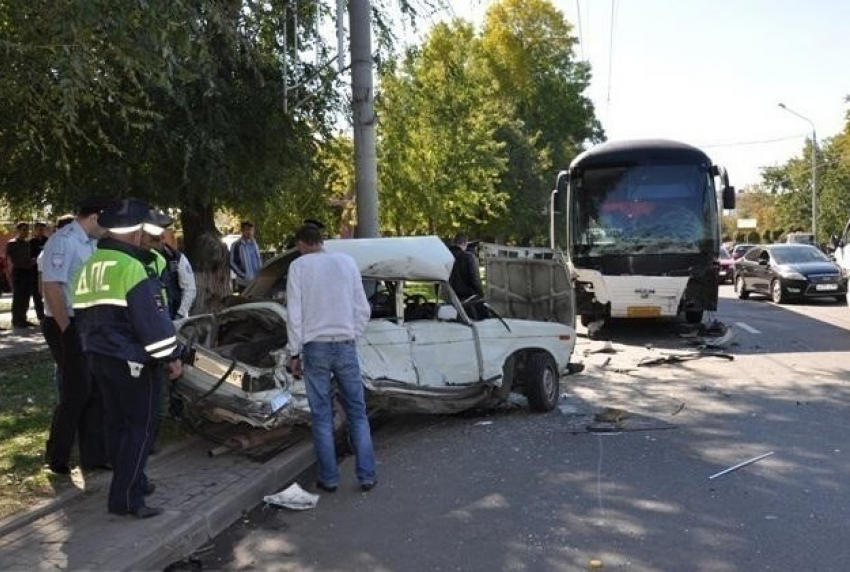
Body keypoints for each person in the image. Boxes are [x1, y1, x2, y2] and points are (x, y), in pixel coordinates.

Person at [73, 198, 183, 519]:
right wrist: (173, 357)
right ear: (134, 232)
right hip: (133, 361)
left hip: (98, 357)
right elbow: (152, 326)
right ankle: (127, 497)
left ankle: (128, 482)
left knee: (116, 424)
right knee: (141, 428)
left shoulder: (89, 265)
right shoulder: (132, 267)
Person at [286, 223, 377, 493]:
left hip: (316, 347)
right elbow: (363, 308)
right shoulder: (347, 263)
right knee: (358, 412)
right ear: (322, 241)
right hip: (345, 344)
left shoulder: (299, 267)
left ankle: (329, 478)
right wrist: (352, 335)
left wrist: (294, 352)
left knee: (322, 415)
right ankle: (367, 475)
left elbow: (295, 314)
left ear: (302, 243)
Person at [41, 198, 112, 474]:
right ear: (95, 217)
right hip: (65, 323)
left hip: (87, 322)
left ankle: (93, 456)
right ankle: (57, 456)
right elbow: (52, 289)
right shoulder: (64, 241)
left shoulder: (91, 243)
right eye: (107, 223)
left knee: (95, 388)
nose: (109, 230)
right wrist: (67, 331)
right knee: (76, 390)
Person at [4, 222, 37, 328]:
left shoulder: (27, 244)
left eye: (27, 230)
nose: (26, 232)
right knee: (18, 297)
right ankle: (16, 320)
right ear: (17, 230)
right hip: (18, 271)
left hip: (28, 271)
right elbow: (7, 259)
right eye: (24, 229)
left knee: (26, 297)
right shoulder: (12, 243)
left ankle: (23, 318)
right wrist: (8, 274)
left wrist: (32, 261)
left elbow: (28, 258)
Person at [229, 221, 262, 293]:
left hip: (256, 281)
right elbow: (232, 263)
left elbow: (258, 260)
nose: (249, 232)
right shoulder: (236, 245)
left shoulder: (254, 243)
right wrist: (243, 275)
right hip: (244, 283)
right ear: (242, 231)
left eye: (251, 230)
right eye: (247, 229)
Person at [29, 221, 48, 321]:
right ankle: (40, 316)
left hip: (47, 271)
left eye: (43, 229)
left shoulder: (48, 240)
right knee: (37, 294)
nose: (41, 231)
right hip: (35, 272)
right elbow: (29, 258)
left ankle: (47, 314)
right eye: (39, 229)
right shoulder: (31, 242)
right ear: (35, 230)